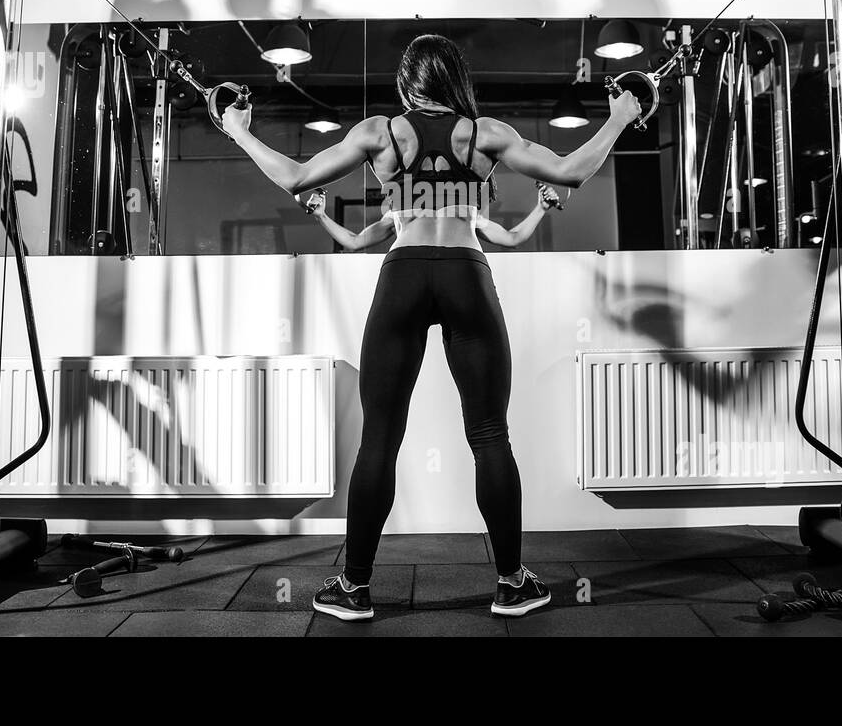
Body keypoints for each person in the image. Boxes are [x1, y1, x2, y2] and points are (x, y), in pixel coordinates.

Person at [222, 33, 640, 620]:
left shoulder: (380, 133)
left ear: (407, 83)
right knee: (490, 434)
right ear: (455, 80)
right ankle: (511, 584)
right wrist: (620, 116)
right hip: (467, 274)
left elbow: (297, 178)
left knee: (380, 438)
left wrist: (238, 130)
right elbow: (570, 171)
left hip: (404, 278)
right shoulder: (485, 133)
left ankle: (354, 588)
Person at [297, 182, 564, 252]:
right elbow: (354, 241)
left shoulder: (465, 212)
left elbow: (512, 237)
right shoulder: (398, 213)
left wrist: (540, 207)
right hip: (411, 269)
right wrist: (321, 216)